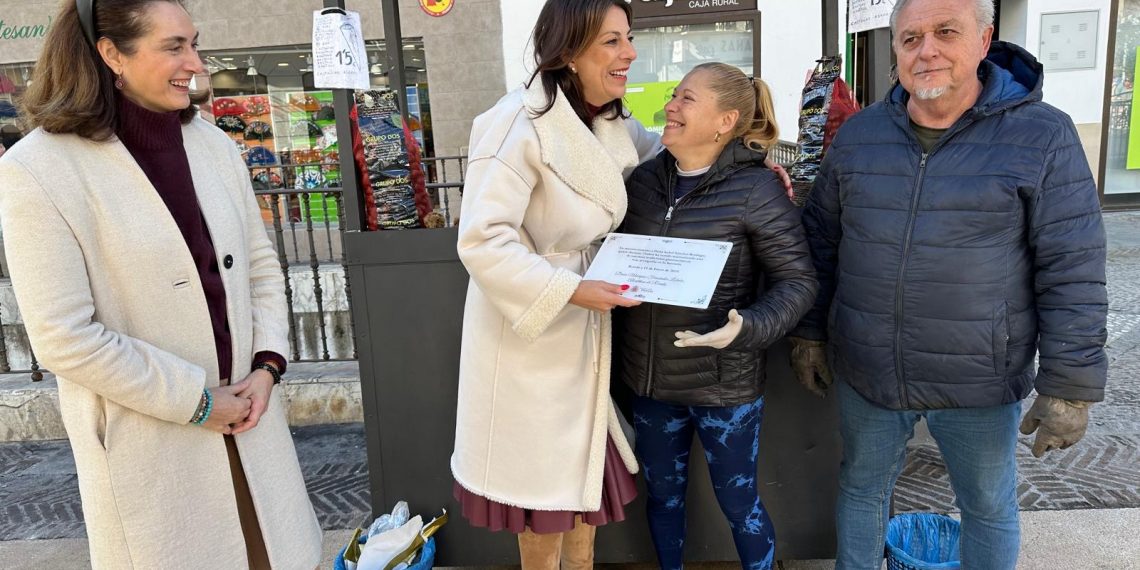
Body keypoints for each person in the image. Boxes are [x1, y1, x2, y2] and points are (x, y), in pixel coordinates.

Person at [0, 1, 321, 568]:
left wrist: (268, 367)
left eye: (194, 43)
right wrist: (197, 402)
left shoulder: (216, 147)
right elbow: (63, 336)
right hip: (152, 446)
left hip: (252, 425)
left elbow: (261, 268)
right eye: (174, 46)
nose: (195, 63)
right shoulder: (38, 170)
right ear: (110, 54)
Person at [790, 0, 1108, 568]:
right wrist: (811, 332)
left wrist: (1070, 385)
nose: (927, 50)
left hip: (980, 377)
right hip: (870, 370)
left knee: (986, 505)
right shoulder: (860, 136)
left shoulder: (1044, 135)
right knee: (861, 490)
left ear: (984, 42)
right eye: (911, 38)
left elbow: (1073, 265)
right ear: (895, 52)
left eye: (945, 33)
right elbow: (821, 245)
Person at [449, 0, 666, 567]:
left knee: (583, 491)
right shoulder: (515, 125)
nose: (630, 54)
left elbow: (669, 151)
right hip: (531, 340)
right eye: (612, 42)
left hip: (586, 334)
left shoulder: (611, 122)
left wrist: (746, 160)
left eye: (628, 38)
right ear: (569, 51)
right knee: (541, 503)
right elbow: (481, 240)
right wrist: (570, 290)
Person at [615, 63, 818, 570]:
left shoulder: (756, 190)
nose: (670, 107)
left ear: (725, 120)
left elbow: (799, 282)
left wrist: (746, 329)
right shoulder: (642, 181)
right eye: (674, 98)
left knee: (739, 504)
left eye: (686, 99)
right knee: (662, 499)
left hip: (725, 385)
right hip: (651, 380)